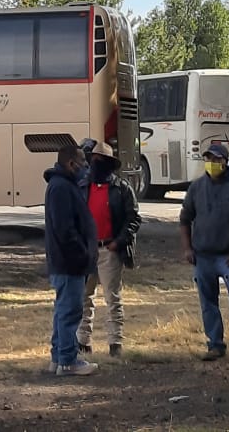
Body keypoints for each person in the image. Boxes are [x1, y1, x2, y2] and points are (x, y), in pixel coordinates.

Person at [179, 141, 229, 361]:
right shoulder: (197, 186)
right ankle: (215, 344)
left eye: (216, 159)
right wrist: (187, 248)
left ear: (225, 162)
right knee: (208, 302)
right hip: (203, 256)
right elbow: (185, 218)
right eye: (208, 159)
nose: (212, 163)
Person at [77, 142, 142, 358]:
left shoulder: (121, 188)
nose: (96, 164)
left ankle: (115, 342)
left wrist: (118, 242)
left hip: (109, 249)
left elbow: (133, 219)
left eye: (100, 161)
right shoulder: (82, 187)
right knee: (84, 297)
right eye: (93, 160)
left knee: (112, 297)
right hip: (87, 250)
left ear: (109, 164)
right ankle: (83, 341)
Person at [45, 142, 99, 376]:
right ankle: (68, 360)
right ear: (70, 163)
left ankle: (58, 358)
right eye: (83, 163)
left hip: (66, 261)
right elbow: (65, 229)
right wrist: (82, 253)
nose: (86, 167)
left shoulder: (64, 185)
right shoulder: (61, 188)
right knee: (70, 311)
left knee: (63, 310)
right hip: (69, 262)